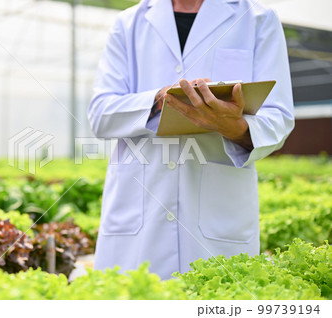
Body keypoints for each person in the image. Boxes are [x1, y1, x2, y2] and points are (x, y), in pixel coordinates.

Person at [87, 0, 294, 279]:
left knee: (215, 296)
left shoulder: (257, 19)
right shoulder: (128, 23)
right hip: (139, 215)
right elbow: (100, 114)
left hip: (217, 216)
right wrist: (160, 99)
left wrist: (234, 127)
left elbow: (279, 117)